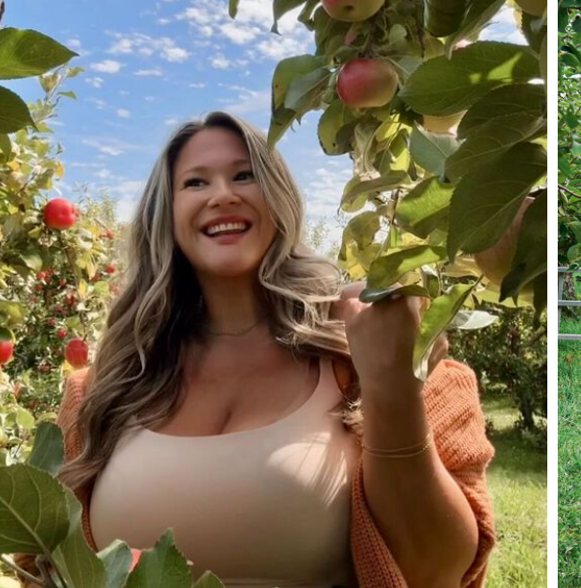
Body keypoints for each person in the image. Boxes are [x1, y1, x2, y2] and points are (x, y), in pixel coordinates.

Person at [35, 112, 494, 588]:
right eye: (195, 182)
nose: (222, 195)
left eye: (244, 175)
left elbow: (438, 573)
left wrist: (391, 389)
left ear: (278, 198)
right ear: (166, 212)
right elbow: (42, 563)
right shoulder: (103, 392)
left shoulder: (370, 358)